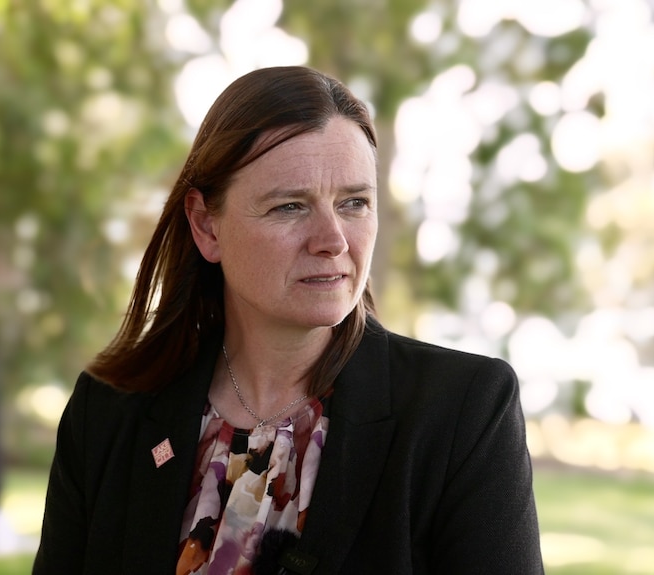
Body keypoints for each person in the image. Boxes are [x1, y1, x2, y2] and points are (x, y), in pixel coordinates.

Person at [33, 65, 543, 575]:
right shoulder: (107, 415)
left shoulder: (463, 412)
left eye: (354, 203)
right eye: (290, 207)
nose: (334, 240)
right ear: (206, 225)